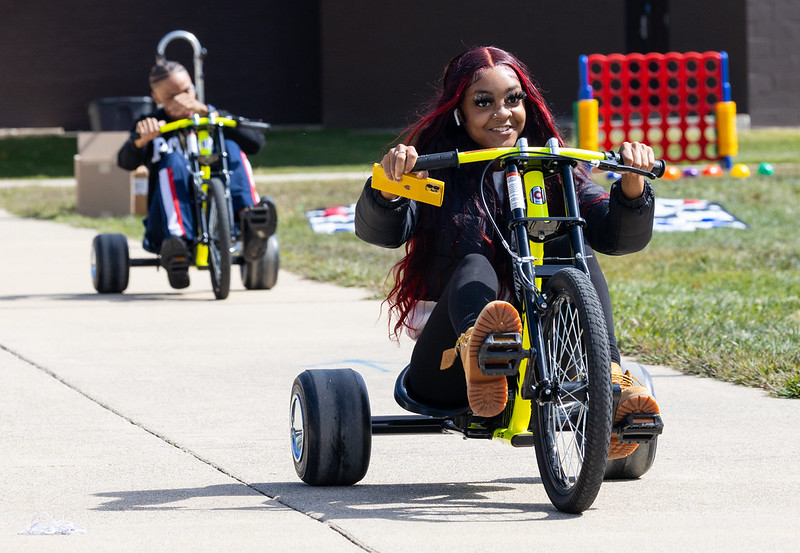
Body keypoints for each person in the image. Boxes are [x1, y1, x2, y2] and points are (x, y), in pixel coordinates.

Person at [355, 46, 659, 459]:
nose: (502, 113)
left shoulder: (552, 170)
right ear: (458, 111)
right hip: (446, 372)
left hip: (542, 363)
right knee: (475, 263)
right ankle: (481, 351)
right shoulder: (435, 168)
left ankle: (608, 378)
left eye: (512, 99)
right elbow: (385, 232)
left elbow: (616, 235)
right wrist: (388, 190)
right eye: (484, 102)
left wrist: (631, 188)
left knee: (576, 250)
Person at [118, 60, 275, 289]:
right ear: (157, 97)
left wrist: (206, 112)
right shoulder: (151, 124)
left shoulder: (212, 117)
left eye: (186, 91)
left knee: (231, 149)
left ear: (194, 87)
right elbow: (124, 162)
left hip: (220, 213)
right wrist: (140, 141)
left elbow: (256, 143)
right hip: (165, 221)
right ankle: (177, 244)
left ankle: (250, 222)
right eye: (171, 96)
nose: (181, 99)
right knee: (172, 160)